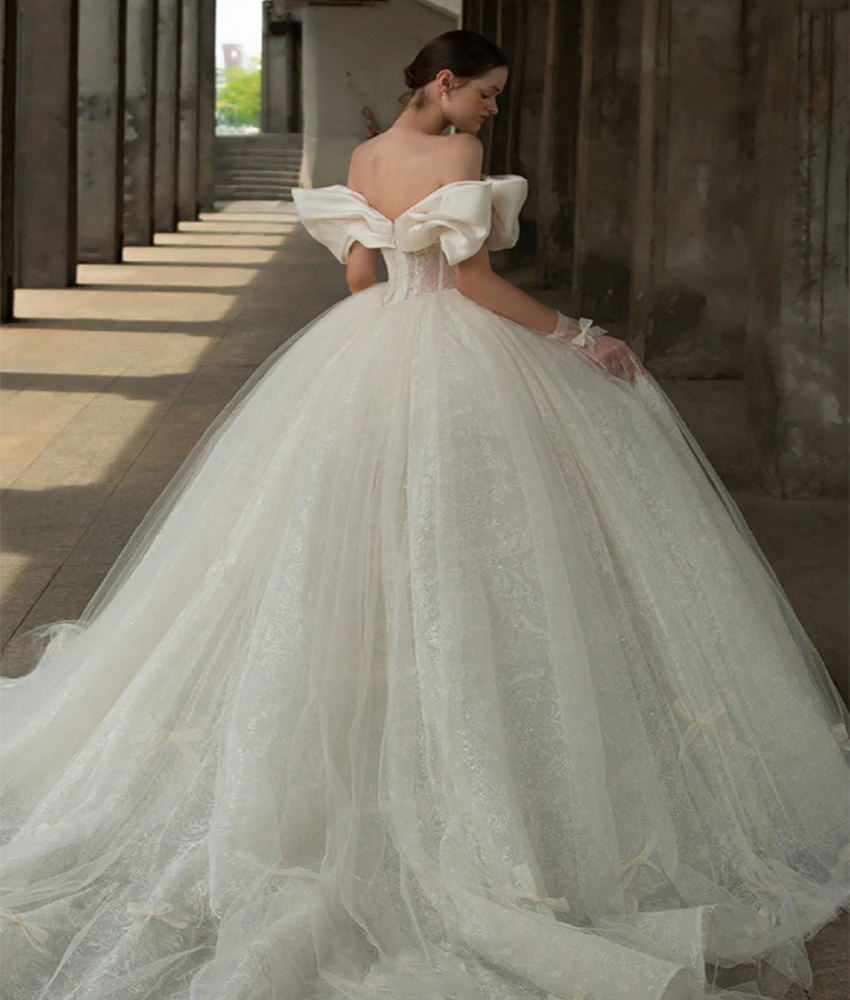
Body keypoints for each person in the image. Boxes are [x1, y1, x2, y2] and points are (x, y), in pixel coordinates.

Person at [0, 27, 847, 1000]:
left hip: (364, 349)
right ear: (444, 86)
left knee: (351, 540)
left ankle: (380, 718)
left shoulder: (363, 155)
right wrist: (579, 337)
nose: (492, 110)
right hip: (451, 355)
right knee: (475, 548)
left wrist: (401, 270)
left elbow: (359, 277)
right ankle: (461, 726)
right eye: (485, 94)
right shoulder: (459, 154)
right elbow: (477, 282)